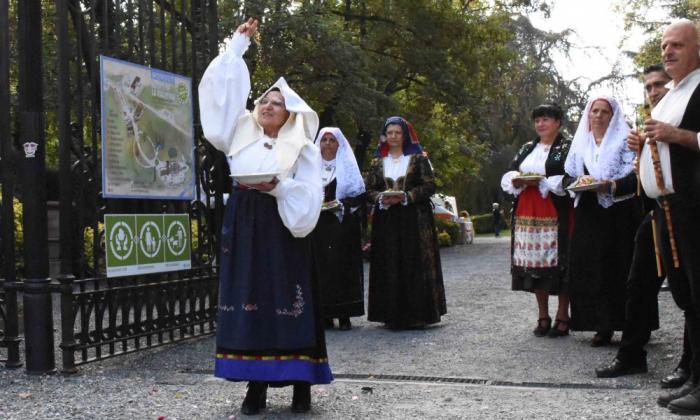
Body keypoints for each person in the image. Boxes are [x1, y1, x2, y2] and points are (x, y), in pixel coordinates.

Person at [198, 18, 332, 415]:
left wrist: (281, 188)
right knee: (249, 300)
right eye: (263, 101)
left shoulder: (302, 148)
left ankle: (301, 385)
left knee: (289, 301)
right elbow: (220, 96)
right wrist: (237, 47)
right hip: (243, 224)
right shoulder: (238, 132)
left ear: (290, 114)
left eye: (277, 103)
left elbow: (310, 197)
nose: (267, 106)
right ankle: (254, 387)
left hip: (282, 228)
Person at [595, 65, 692, 388]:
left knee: (689, 293)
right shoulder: (651, 122)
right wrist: (641, 153)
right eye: (648, 87)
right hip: (655, 215)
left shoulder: (687, 110)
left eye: (659, 84)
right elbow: (644, 177)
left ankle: (688, 365)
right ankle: (632, 354)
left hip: (688, 211)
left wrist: (673, 136)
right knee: (637, 284)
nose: (653, 91)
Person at [624, 20, 700, 415]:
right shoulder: (671, 94)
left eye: (677, 45)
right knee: (687, 296)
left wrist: (679, 136)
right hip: (669, 207)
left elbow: (684, 139)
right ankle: (694, 377)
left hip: (694, 205)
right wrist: (644, 143)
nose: (667, 52)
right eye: (664, 46)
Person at [563, 95, 641, 347]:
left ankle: (633, 325)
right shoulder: (580, 144)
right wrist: (578, 184)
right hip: (589, 213)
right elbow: (568, 177)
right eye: (594, 111)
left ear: (613, 116)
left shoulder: (625, 141)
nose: (598, 116)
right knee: (591, 267)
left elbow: (637, 177)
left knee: (622, 266)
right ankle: (601, 324)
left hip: (620, 214)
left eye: (604, 112)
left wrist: (610, 185)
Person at [365, 116, 447, 330]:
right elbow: (368, 189)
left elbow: (430, 185)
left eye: (397, 133)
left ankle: (417, 314)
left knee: (413, 262)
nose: (393, 136)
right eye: (389, 133)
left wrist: (407, 196)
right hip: (386, 219)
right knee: (389, 261)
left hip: (414, 218)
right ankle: (390, 314)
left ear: (405, 135)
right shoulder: (377, 162)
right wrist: (381, 197)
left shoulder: (418, 159)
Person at [500, 103, 572, 338]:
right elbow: (511, 170)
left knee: (559, 263)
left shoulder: (566, 147)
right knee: (534, 266)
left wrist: (543, 181)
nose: (541, 124)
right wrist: (517, 180)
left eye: (546, 119)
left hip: (554, 209)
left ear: (558, 122)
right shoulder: (527, 148)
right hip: (527, 212)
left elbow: (572, 177)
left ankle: (563, 315)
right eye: (537, 120)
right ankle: (543, 315)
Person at [310, 127, 366, 331]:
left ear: (339, 144)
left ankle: (344, 314)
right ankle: (324, 313)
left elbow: (359, 196)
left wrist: (341, 205)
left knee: (342, 267)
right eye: (324, 139)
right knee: (321, 267)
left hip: (342, 225)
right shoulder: (311, 166)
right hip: (317, 226)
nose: (327, 143)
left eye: (332, 140)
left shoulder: (347, 166)